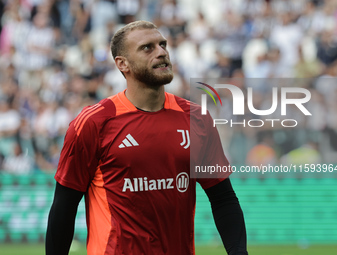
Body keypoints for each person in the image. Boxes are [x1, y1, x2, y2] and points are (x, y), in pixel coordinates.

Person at [46, 20, 248, 255]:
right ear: (123, 64)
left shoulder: (197, 118)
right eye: (147, 47)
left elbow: (223, 198)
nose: (161, 52)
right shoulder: (93, 123)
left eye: (162, 45)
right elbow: (64, 206)